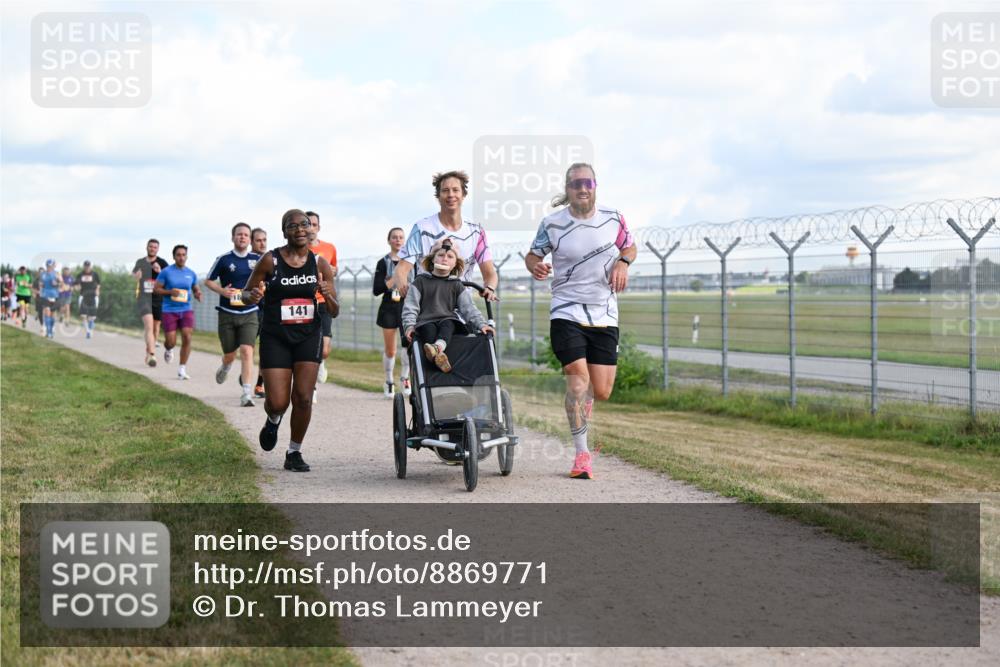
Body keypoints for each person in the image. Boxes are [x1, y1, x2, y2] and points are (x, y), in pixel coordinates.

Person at [525, 163, 637, 480]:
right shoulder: (553, 223)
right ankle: (582, 454)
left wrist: (623, 262)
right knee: (577, 380)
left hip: (604, 311)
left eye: (587, 182)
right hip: (567, 309)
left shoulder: (613, 218)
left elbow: (630, 245)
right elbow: (533, 255)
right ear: (568, 188)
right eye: (576, 184)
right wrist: (536, 266)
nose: (582, 188)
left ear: (595, 185)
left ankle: (580, 412)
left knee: (600, 391)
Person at [244, 209, 338, 473]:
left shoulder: (320, 264)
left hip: (309, 334)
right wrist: (252, 296)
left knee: (304, 397)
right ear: (284, 231)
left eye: (304, 225)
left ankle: (294, 452)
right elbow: (245, 292)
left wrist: (328, 295)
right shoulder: (270, 260)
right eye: (292, 225)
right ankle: (273, 419)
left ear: (311, 229)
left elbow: (334, 309)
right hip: (276, 336)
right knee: (278, 401)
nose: (299, 229)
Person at [392, 170, 499, 301]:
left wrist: (490, 288)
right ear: (438, 196)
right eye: (445, 190)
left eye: (455, 190)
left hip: (462, 306)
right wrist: (404, 287)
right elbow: (401, 269)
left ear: (463, 195)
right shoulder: (421, 228)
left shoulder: (476, 231)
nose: (451, 195)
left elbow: (490, 273)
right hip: (427, 306)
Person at [402, 241, 494, 373]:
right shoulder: (420, 281)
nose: (445, 258)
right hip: (426, 321)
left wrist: (482, 324)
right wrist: (409, 326)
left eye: (450, 256)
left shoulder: (456, 284)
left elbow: (468, 308)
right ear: (433, 259)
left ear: (455, 263)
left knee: (449, 323)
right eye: (440, 255)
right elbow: (410, 307)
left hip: (447, 320)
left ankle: (437, 349)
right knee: (428, 329)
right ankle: (439, 357)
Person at [205, 223, 261, 407]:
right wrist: (222, 291)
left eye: (246, 235)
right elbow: (208, 281)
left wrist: (260, 291)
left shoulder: (257, 259)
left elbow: (266, 280)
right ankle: (226, 366)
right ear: (233, 237)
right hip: (227, 314)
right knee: (230, 354)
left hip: (250, 312)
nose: (242, 237)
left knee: (247, 351)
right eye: (239, 234)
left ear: (249, 238)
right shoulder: (223, 259)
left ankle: (246, 393)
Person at [153, 245, 202, 380]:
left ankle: (182, 369)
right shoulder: (166, 272)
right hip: (169, 310)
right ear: (174, 256)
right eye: (178, 255)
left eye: (183, 255)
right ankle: (168, 349)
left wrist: (198, 293)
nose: (181, 257)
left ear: (186, 256)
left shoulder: (191, 273)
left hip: (186, 309)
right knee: (171, 341)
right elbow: (156, 289)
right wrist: (170, 292)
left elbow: (195, 287)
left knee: (187, 336)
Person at [372, 227, 410, 398]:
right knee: (391, 350)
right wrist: (395, 277)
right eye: (394, 237)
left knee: (408, 346)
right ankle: (388, 381)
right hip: (388, 308)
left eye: (401, 237)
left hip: (406, 308)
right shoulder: (383, 262)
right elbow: (377, 289)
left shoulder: (410, 262)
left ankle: (405, 378)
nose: (398, 240)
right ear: (389, 240)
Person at [306, 211, 337, 393]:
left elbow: (334, 270)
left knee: (324, 349)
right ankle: (312, 386)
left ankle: (322, 361)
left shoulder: (329, 248)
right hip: (306, 301)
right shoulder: (299, 249)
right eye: (307, 223)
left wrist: (331, 270)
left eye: (314, 224)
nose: (311, 227)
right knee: (310, 345)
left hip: (323, 301)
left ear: (319, 227)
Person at [133, 239, 169, 367]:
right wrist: (137, 275)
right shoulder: (140, 262)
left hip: (158, 299)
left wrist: (160, 272)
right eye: (150, 246)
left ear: (157, 249)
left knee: (155, 328)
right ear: (146, 247)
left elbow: (169, 279)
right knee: (149, 325)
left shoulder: (163, 263)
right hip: (144, 298)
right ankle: (153, 354)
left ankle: (148, 353)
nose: (152, 249)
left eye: (155, 247)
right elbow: (134, 276)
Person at [250, 227, 268, 398]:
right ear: (251, 242)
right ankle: (246, 370)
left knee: (265, 348)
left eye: (264, 240)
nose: (262, 243)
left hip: (266, 310)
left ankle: (259, 384)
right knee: (247, 347)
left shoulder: (271, 259)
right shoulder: (246, 260)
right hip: (248, 310)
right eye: (258, 240)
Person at [75, 260, 101, 339]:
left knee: (91, 317)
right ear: (84, 266)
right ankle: (88, 332)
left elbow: (99, 284)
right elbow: (77, 284)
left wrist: (97, 290)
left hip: (93, 296)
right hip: (83, 296)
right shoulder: (80, 275)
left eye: (88, 266)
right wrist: (77, 287)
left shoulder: (94, 274)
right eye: (86, 266)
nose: (87, 268)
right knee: (83, 315)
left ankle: (91, 324)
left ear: (90, 266)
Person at [38, 260, 62, 338]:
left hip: (54, 295)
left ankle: (51, 329)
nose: (49, 267)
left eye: (50, 266)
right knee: (47, 312)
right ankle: (48, 332)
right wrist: (41, 288)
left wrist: (57, 283)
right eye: (48, 266)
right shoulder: (43, 274)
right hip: (45, 295)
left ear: (53, 266)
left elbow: (62, 283)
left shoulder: (57, 274)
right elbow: (41, 284)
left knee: (52, 314)